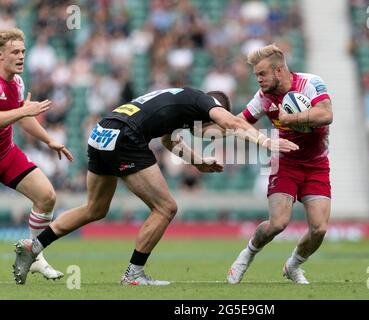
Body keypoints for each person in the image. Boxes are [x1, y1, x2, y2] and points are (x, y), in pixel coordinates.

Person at [13, 87, 298, 285]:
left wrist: (197, 161)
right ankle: (133, 275)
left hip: (102, 130)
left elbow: (167, 140)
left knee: (94, 208)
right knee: (165, 208)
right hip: (126, 137)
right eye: (213, 132)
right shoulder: (206, 105)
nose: (211, 136)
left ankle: (33, 246)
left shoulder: (181, 102)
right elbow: (234, 123)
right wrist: (268, 142)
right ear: (214, 111)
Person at [227, 43, 333, 284]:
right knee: (278, 223)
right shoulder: (263, 98)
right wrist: (215, 124)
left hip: (317, 163)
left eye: (262, 73)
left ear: (279, 71)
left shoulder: (309, 83)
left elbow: (326, 115)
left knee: (319, 229)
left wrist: (291, 118)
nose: (258, 79)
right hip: (284, 163)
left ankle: (293, 266)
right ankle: (246, 255)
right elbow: (239, 123)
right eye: (256, 75)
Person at [1, 28, 73, 280]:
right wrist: (23, 111)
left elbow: (22, 117)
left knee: (46, 196)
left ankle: (35, 256)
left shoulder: (17, 82)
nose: (21, 56)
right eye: (14, 52)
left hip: (5, 154)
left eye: (23, 51)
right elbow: (15, 115)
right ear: (0, 55)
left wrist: (49, 140)